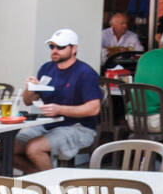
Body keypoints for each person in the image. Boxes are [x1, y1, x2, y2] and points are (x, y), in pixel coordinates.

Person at [13, 29, 101, 174]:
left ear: (74, 48)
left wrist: (59, 109)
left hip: (79, 127)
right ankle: (39, 176)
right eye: (52, 47)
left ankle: (54, 188)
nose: (55, 50)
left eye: (60, 47)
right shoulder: (47, 68)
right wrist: (29, 89)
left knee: (34, 148)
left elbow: (94, 108)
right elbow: (28, 101)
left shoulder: (85, 73)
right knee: (7, 148)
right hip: (46, 125)